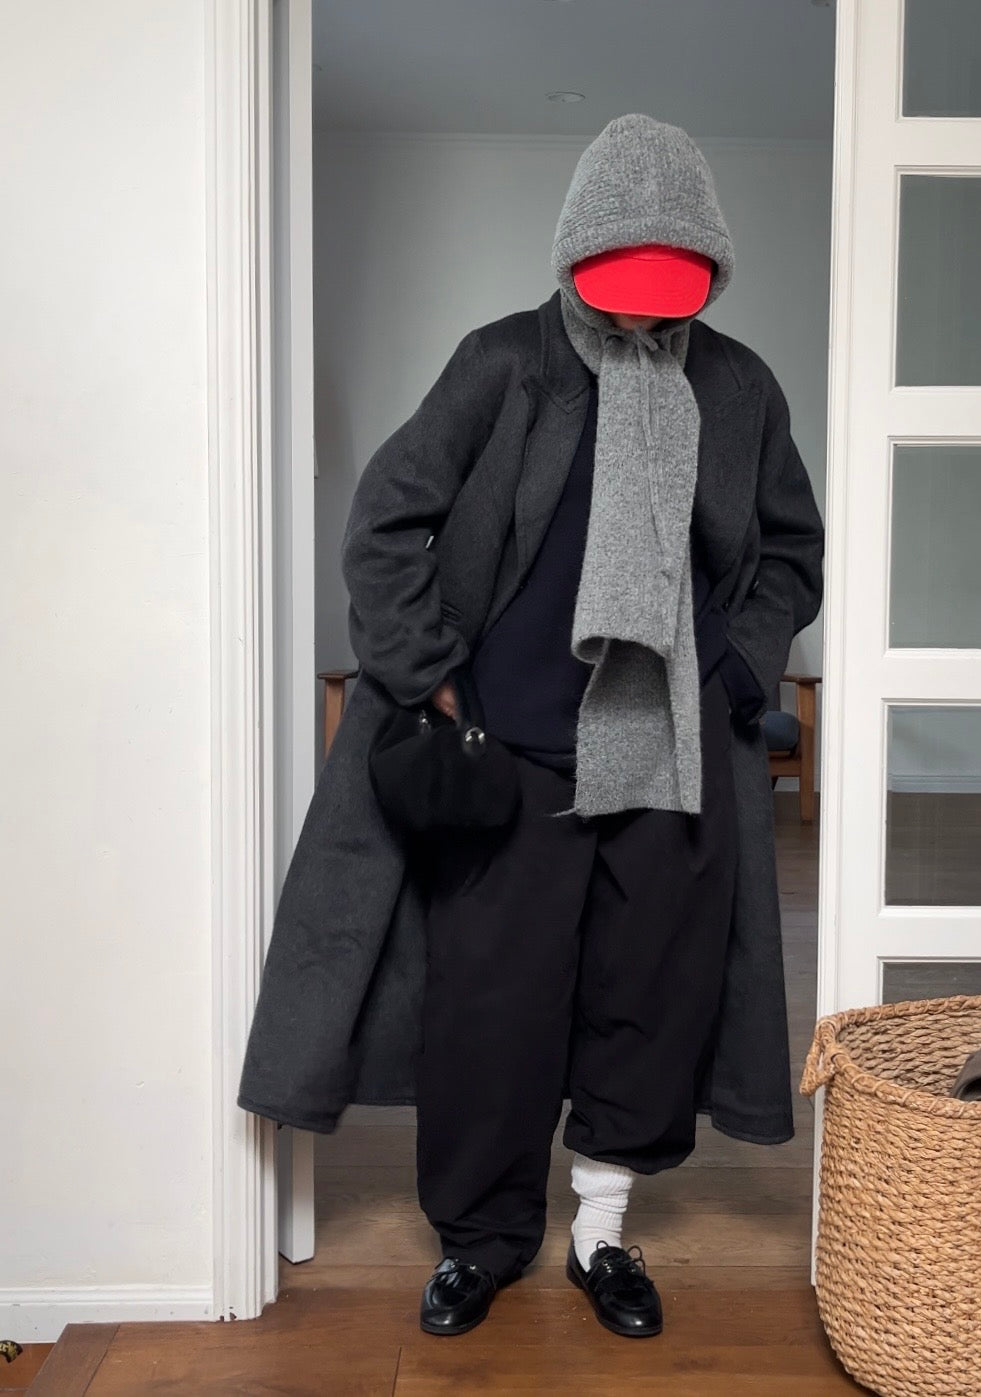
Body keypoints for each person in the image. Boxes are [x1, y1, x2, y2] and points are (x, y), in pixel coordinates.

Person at [235, 112, 824, 1341]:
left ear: (710, 267)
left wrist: (734, 663)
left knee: (646, 1003)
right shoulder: (504, 361)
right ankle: (481, 1240)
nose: (644, 311)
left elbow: (789, 551)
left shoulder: (737, 384)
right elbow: (384, 519)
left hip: (669, 755)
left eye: (671, 283)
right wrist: (430, 672)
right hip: (511, 754)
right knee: (489, 1013)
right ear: (573, 254)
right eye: (622, 278)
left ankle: (603, 1233)